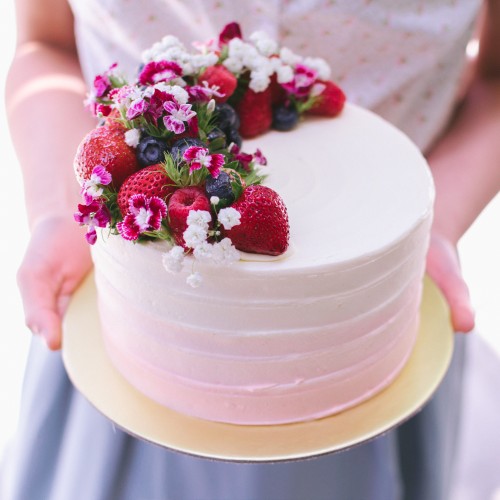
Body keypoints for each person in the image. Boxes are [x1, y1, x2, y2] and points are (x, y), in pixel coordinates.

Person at [1, 0, 499, 499]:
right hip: (128, 306)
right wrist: (55, 209)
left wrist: (436, 226)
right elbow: (48, 45)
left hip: (368, 327)